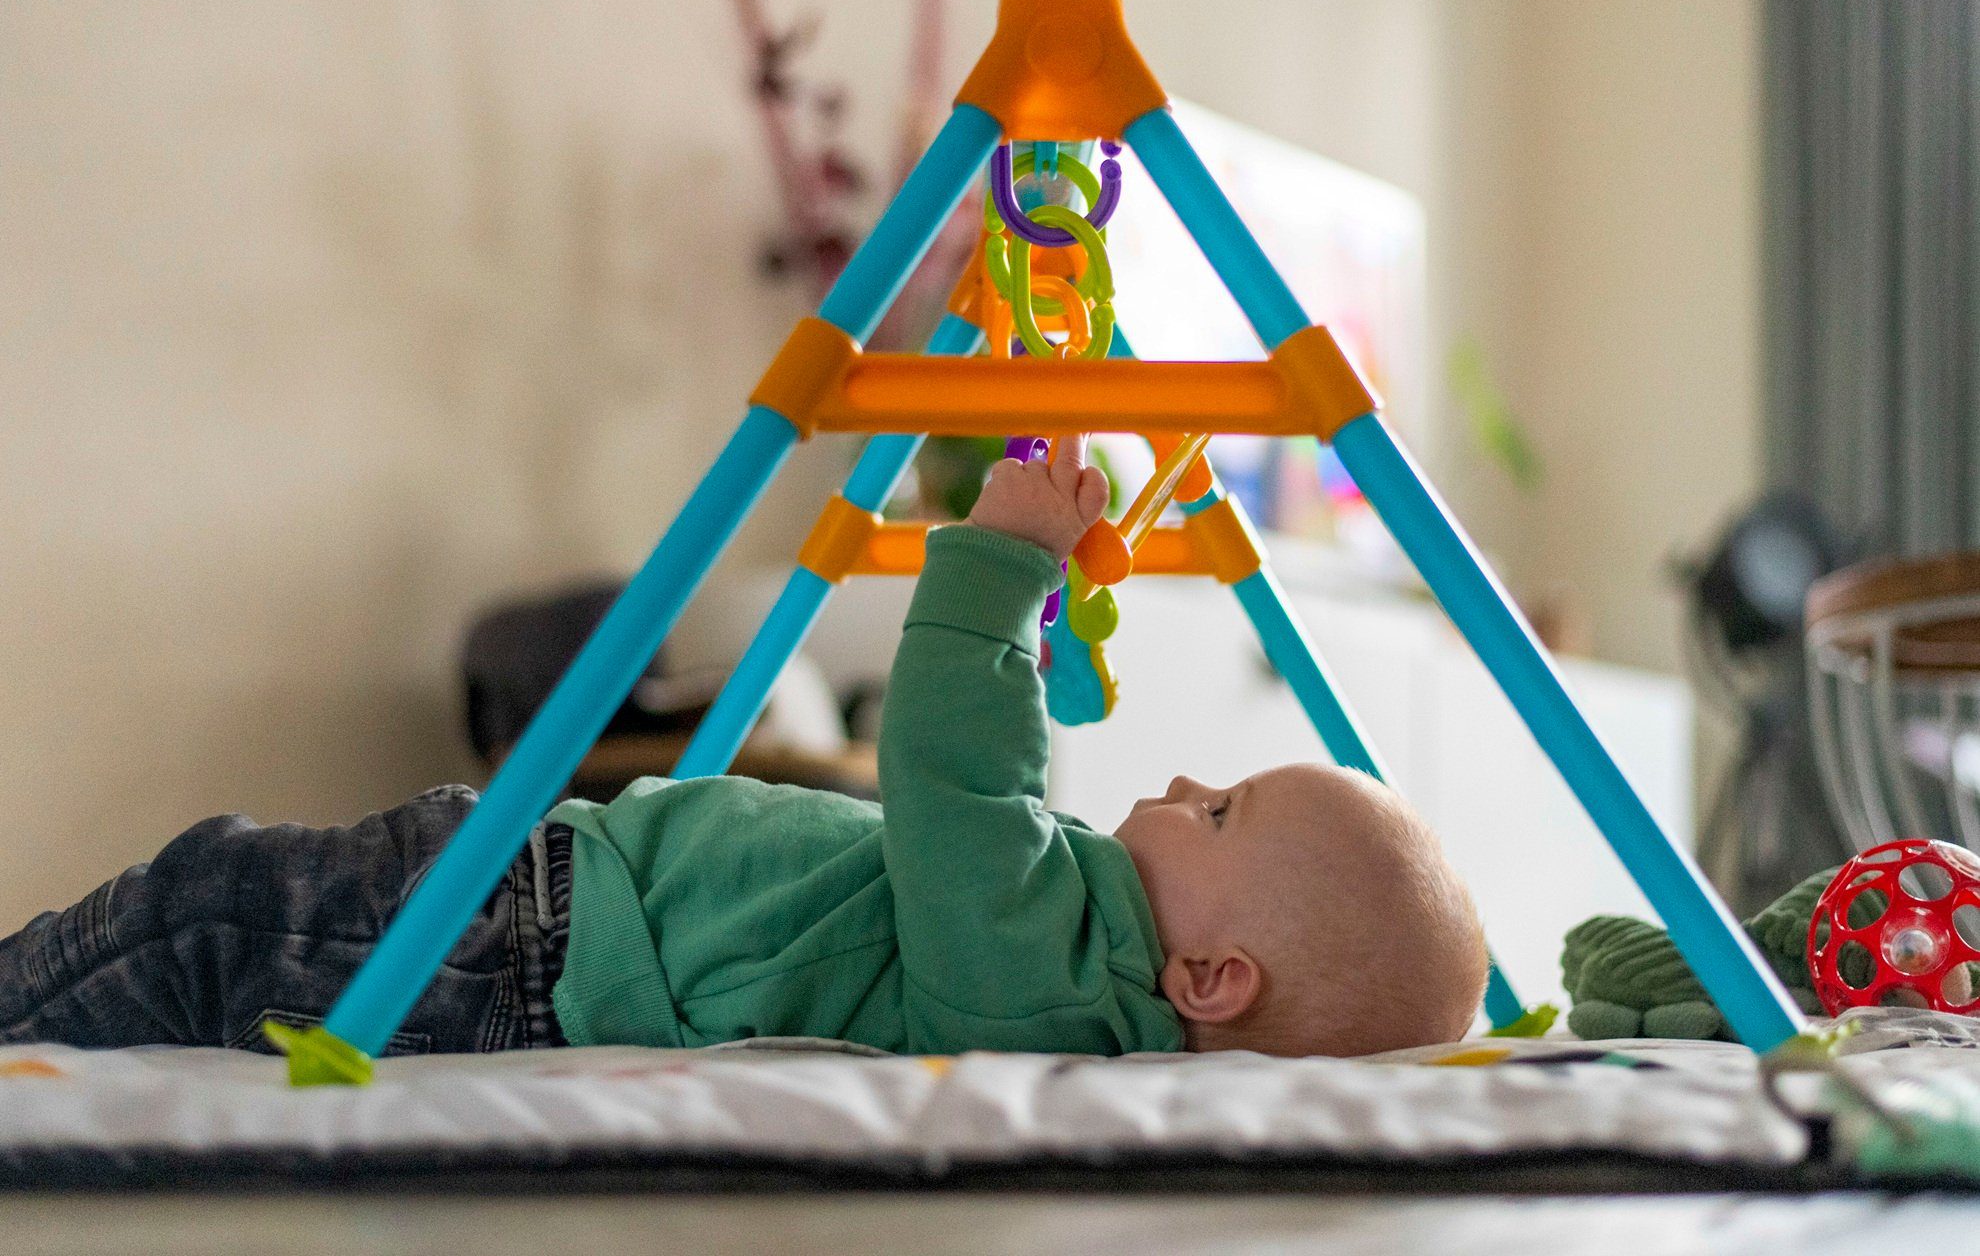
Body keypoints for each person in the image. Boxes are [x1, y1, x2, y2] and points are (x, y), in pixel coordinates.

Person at [0, 438, 1489, 1059]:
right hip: (557, 903)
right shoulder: (1069, 957)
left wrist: (999, 569)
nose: (1175, 786)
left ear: (1211, 980)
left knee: (208, 911)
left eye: (1220, 811)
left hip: (544, 943)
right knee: (221, 920)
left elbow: (962, 778)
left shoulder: (1049, 966)